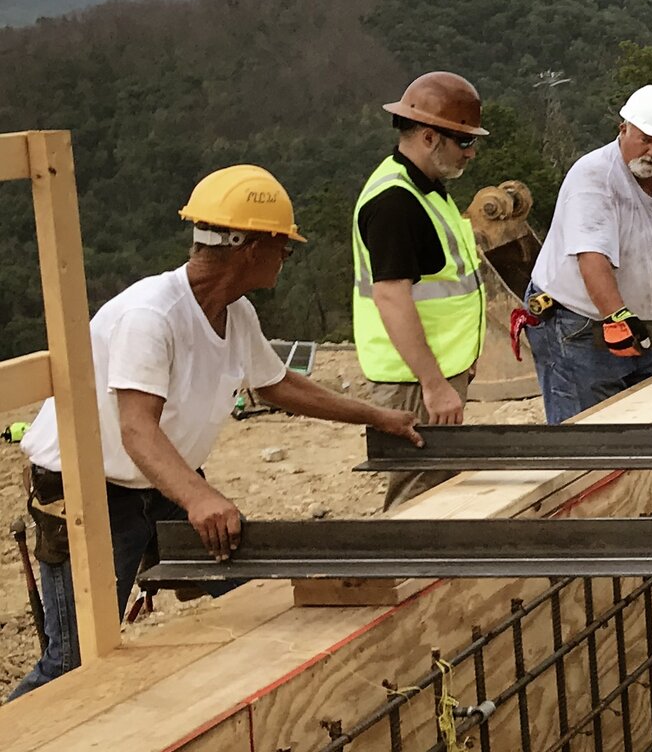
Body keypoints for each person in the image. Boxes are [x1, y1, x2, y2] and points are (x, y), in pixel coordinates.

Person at [10, 166, 425, 698]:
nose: (285, 259)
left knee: (251, 585)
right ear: (252, 248)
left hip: (160, 483)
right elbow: (136, 430)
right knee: (74, 661)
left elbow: (277, 385)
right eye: (284, 248)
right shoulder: (150, 316)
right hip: (88, 491)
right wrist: (201, 497)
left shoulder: (234, 311)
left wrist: (378, 416)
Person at [526, 86, 652, 423]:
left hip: (639, 320)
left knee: (649, 421)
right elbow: (592, 257)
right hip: (580, 324)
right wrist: (616, 316)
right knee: (591, 435)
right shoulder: (594, 178)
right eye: (645, 139)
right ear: (623, 128)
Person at [351, 71, 489, 507]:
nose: (471, 152)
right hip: (412, 378)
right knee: (418, 494)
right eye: (463, 142)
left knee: (442, 485)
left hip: (434, 370)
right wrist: (433, 382)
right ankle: (405, 577)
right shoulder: (395, 203)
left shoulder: (426, 190)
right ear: (430, 137)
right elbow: (392, 298)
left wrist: (458, 364)